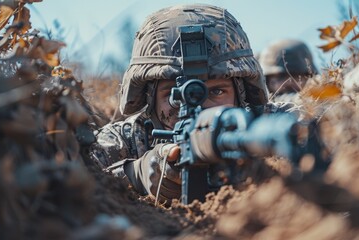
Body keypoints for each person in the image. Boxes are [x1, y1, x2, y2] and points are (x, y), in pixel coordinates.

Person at [88, 4, 269, 204]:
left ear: (241, 94)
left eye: (217, 91)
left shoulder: (265, 127)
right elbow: (73, 186)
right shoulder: (124, 140)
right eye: (176, 95)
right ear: (150, 98)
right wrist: (137, 174)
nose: (200, 108)